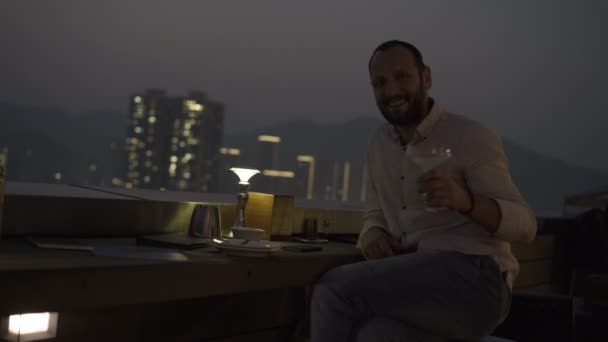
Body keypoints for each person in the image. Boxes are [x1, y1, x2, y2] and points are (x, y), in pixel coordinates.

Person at [310, 40, 537, 341]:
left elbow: (526, 226)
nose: (391, 91)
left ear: (426, 78)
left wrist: (465, 201)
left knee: (334, 288)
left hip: (477, 280)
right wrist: (373, 234)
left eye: (402, 77)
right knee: (374, 336)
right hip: (416, 279)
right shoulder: (379, 145)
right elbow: (375, 213)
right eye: (380, 83)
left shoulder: (469, 136)